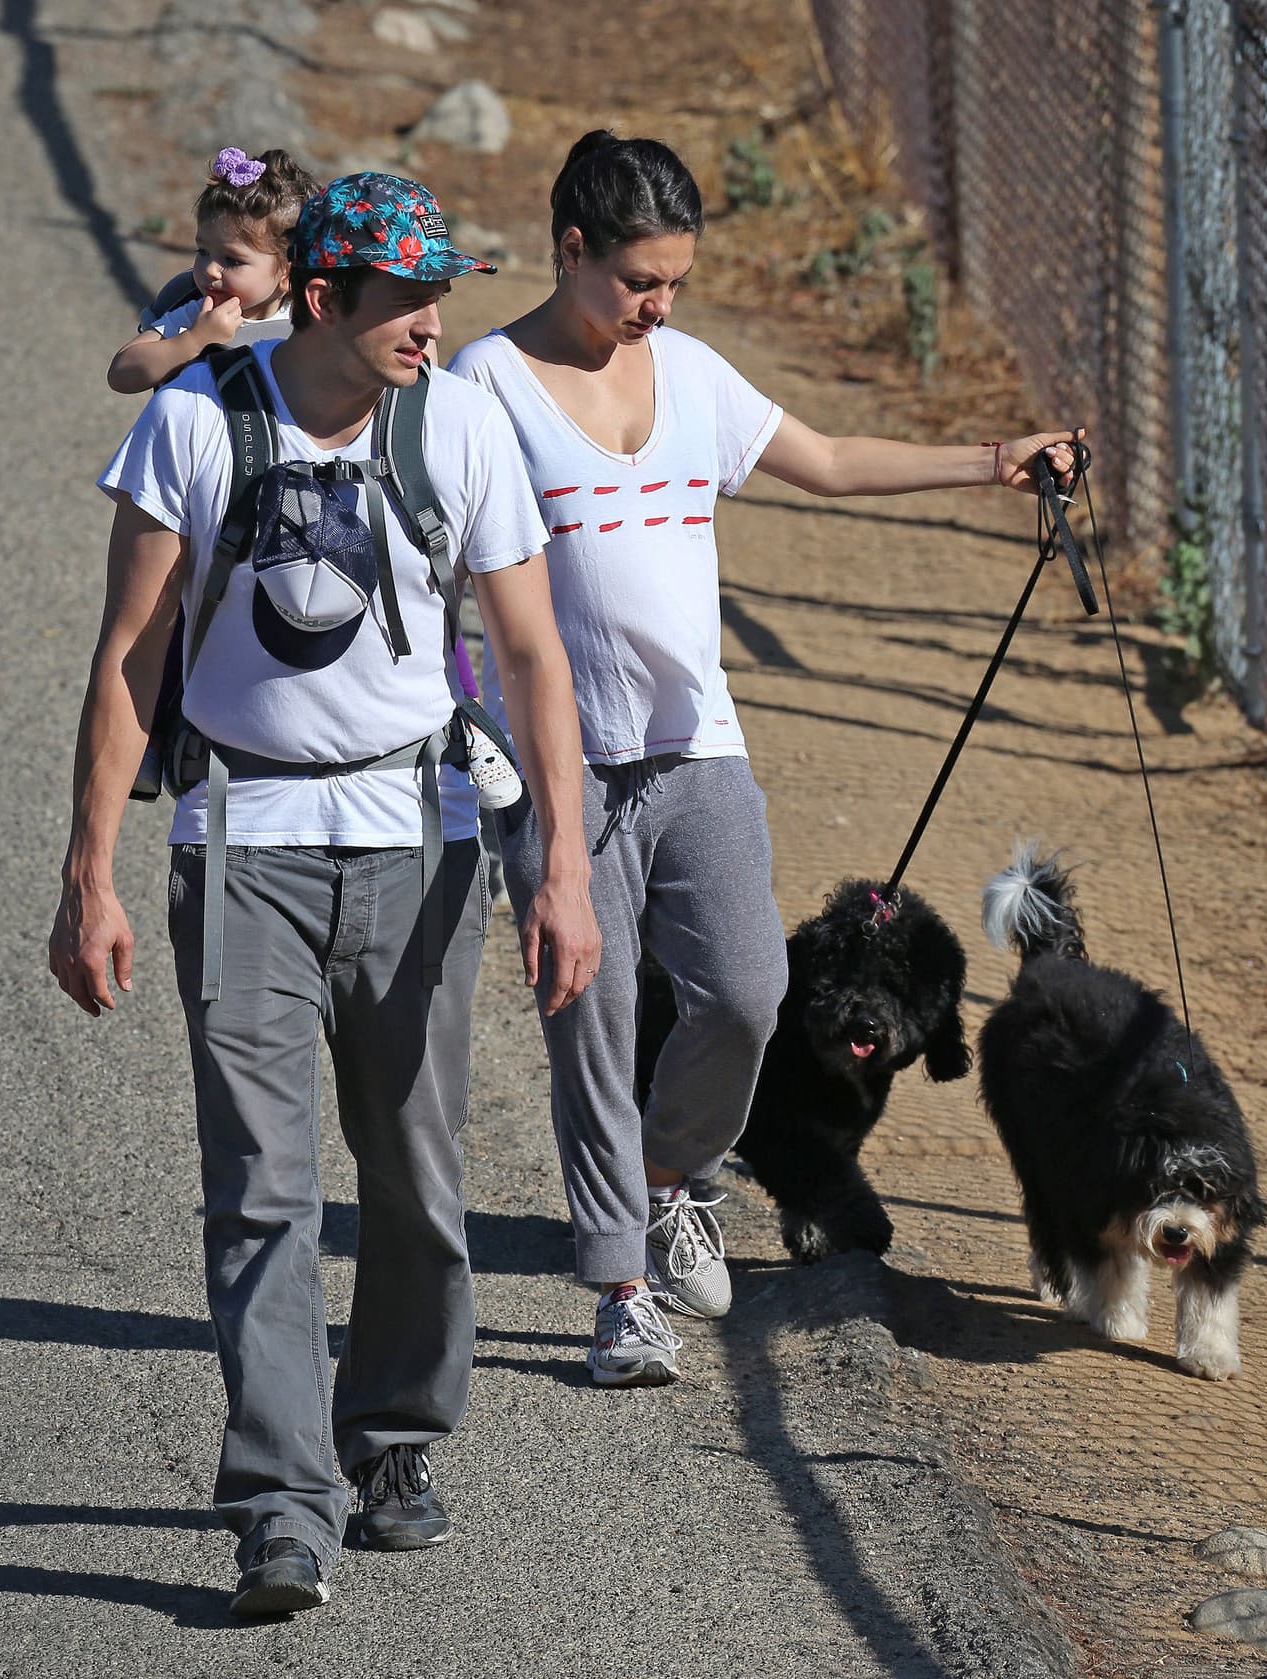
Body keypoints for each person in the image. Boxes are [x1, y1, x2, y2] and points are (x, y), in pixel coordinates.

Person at [447, 129, 1082, 1389]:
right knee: (596, 1019)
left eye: (675, 282)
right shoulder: (483, 387)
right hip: (565, 772)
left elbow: (831, 464)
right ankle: (619, 1288)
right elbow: (434, 574)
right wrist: (466, 735)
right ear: (570, 249)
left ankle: (669, 1177)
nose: (658, 306)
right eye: (638, 281)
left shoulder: (685, 370)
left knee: (743, 997)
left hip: (701, 756)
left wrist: (991, 461)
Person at [51, 172, 599, 1615]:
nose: (432, 322)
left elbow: (534, 657)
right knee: (261, 1186)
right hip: (239, 838)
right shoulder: (193, 421)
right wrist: (88, 872)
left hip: (422, 840)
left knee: (416, 1174)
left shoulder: (461, 423)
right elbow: (129, 659)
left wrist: (568, 870)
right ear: (321, 302)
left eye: (442, 295)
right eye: (403, 299)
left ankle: (398, 1438)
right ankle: (282, 1502)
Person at [107, 145, 318, 395]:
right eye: (202, 252)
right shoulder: (199, 315)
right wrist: (194, 341)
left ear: (288, 274)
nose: (210, 269)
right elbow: (121, 374)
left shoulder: (308, 325)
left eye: (232, 260)